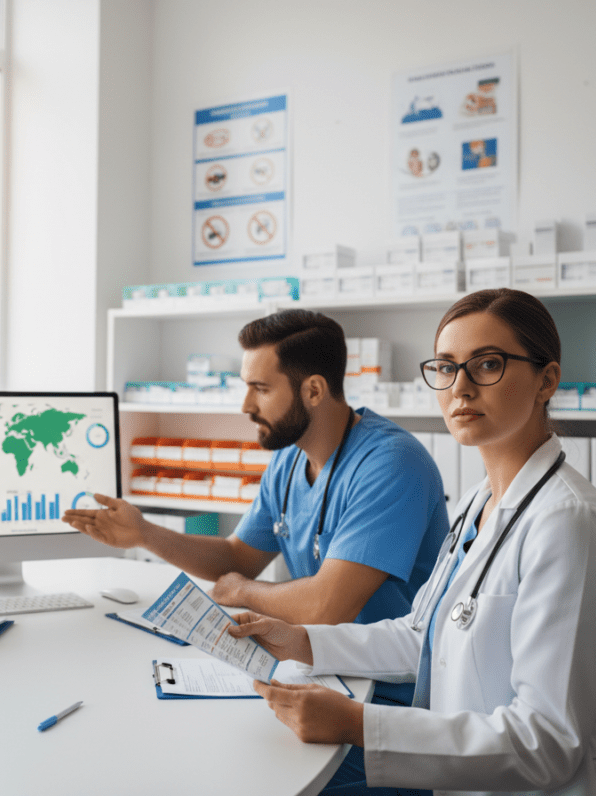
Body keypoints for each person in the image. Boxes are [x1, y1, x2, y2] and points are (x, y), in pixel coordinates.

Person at [230, 288, 596, 796]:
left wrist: (356, 723)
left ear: (547, 379)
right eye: (446, 368)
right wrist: (301, 641)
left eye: (487, 364)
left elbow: (547, 743)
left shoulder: (570, 525)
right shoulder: (480, 501)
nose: (460, 388)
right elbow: (419, 635)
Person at [65, 309, 448, 796]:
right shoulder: (289, 461)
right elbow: (234, 557)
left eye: (261, 389)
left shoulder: (390, 464)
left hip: (387, 705)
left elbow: (327, 606)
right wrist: (144, 534)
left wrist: (244, 592)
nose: (245, 404)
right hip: (319, 676)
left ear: (313, 390)